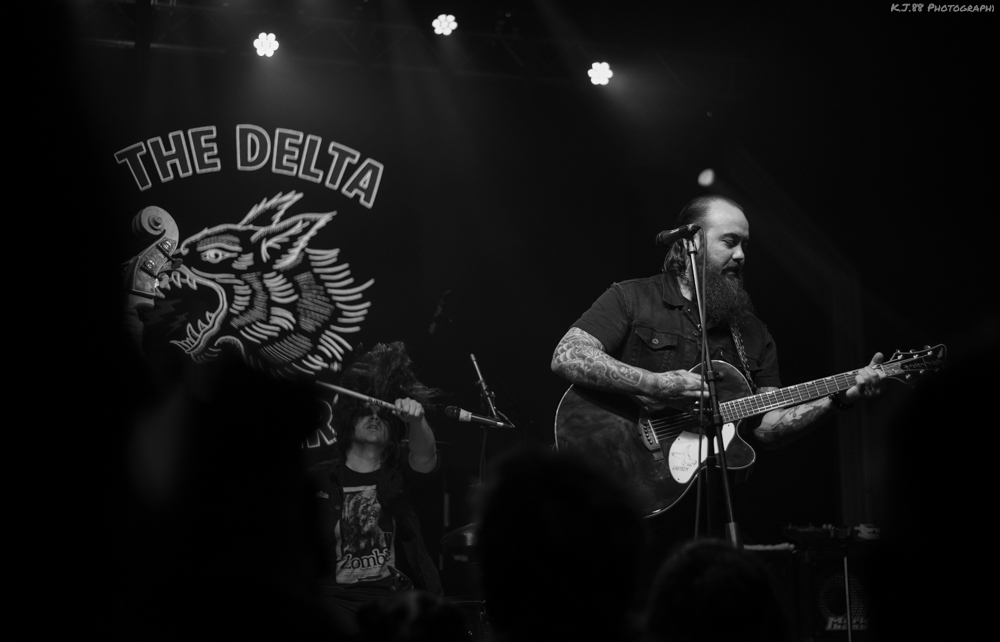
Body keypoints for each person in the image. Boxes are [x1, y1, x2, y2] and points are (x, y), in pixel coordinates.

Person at [550, 195, 885, 536]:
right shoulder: (632, 298)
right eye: (730, 241)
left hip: (698, 507)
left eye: (744, 244)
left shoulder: (753, 333)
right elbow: (568, 355)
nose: (740, 255)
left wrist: (841, 397)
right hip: (612, 496)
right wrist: (653, 384)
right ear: (691, 242)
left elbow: (770, 427)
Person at [310, 342, 443, 635]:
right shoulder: (318, 479)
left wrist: (417, 421)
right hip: (334, 602)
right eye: (365, 411)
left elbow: (425, 456)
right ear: (347, 420)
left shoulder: (401, 476)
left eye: (381, 413)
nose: (373, 416)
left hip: (394, 603)